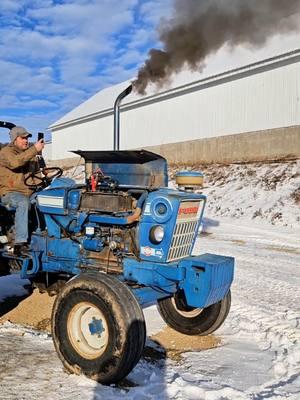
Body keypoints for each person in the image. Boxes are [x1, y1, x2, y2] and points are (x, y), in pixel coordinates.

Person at [0, 126, 44, 255]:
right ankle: (20, 243)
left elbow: (36, 177)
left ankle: (43, 233)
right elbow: (15, 163)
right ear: (15, 139)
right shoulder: (5, 152)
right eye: (23, 138)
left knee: (48, 199)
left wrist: (44, 177)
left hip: (29, 192)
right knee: (23, 202)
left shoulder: (30, 154)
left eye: (27, 138)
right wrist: (34, 149)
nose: (26, 141)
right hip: (10, 193)